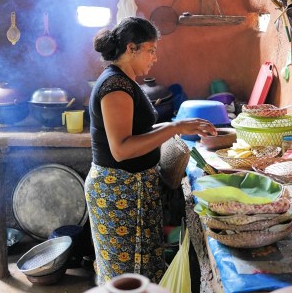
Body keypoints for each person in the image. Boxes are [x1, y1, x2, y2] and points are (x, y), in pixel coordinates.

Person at [84, 16, 217, 286]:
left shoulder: (126, 81)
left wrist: (173, 125)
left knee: (142, 272)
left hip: (133, 190)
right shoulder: (115, 87)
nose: (155, 57)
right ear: (132, 48)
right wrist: (175, 127)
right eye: (151, 50)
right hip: (118, 193)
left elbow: (138, 130)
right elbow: (121, 149)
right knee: (125, 278)